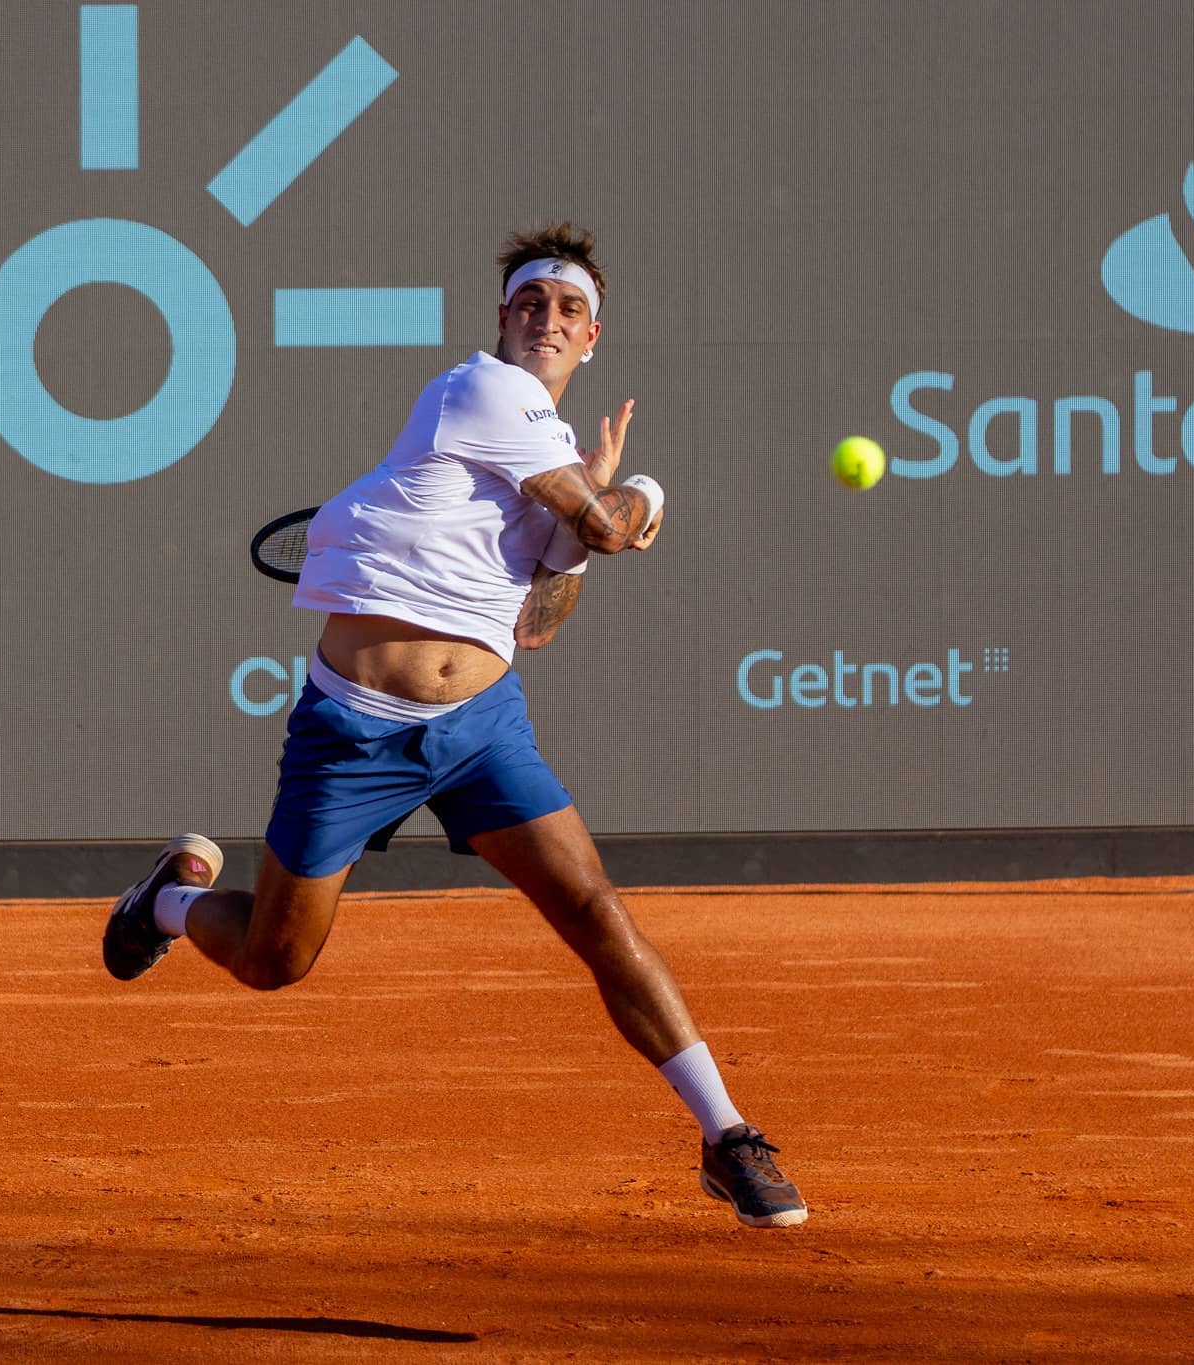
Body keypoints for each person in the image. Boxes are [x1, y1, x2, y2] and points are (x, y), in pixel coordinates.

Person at [103, 224, 806, 1229]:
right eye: (530, 303)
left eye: (567, 310)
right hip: (353, 732)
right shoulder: (481, 391)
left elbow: (538, 625)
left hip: (479, 728)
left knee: (595, 913)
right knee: (273, 962)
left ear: (592, 335)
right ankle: (165, 905)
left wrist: (569, 539)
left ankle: (728, 1137)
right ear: (501, 320)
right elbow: (615, 525)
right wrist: (636, 496)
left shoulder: (548, 451)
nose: (546, 320)